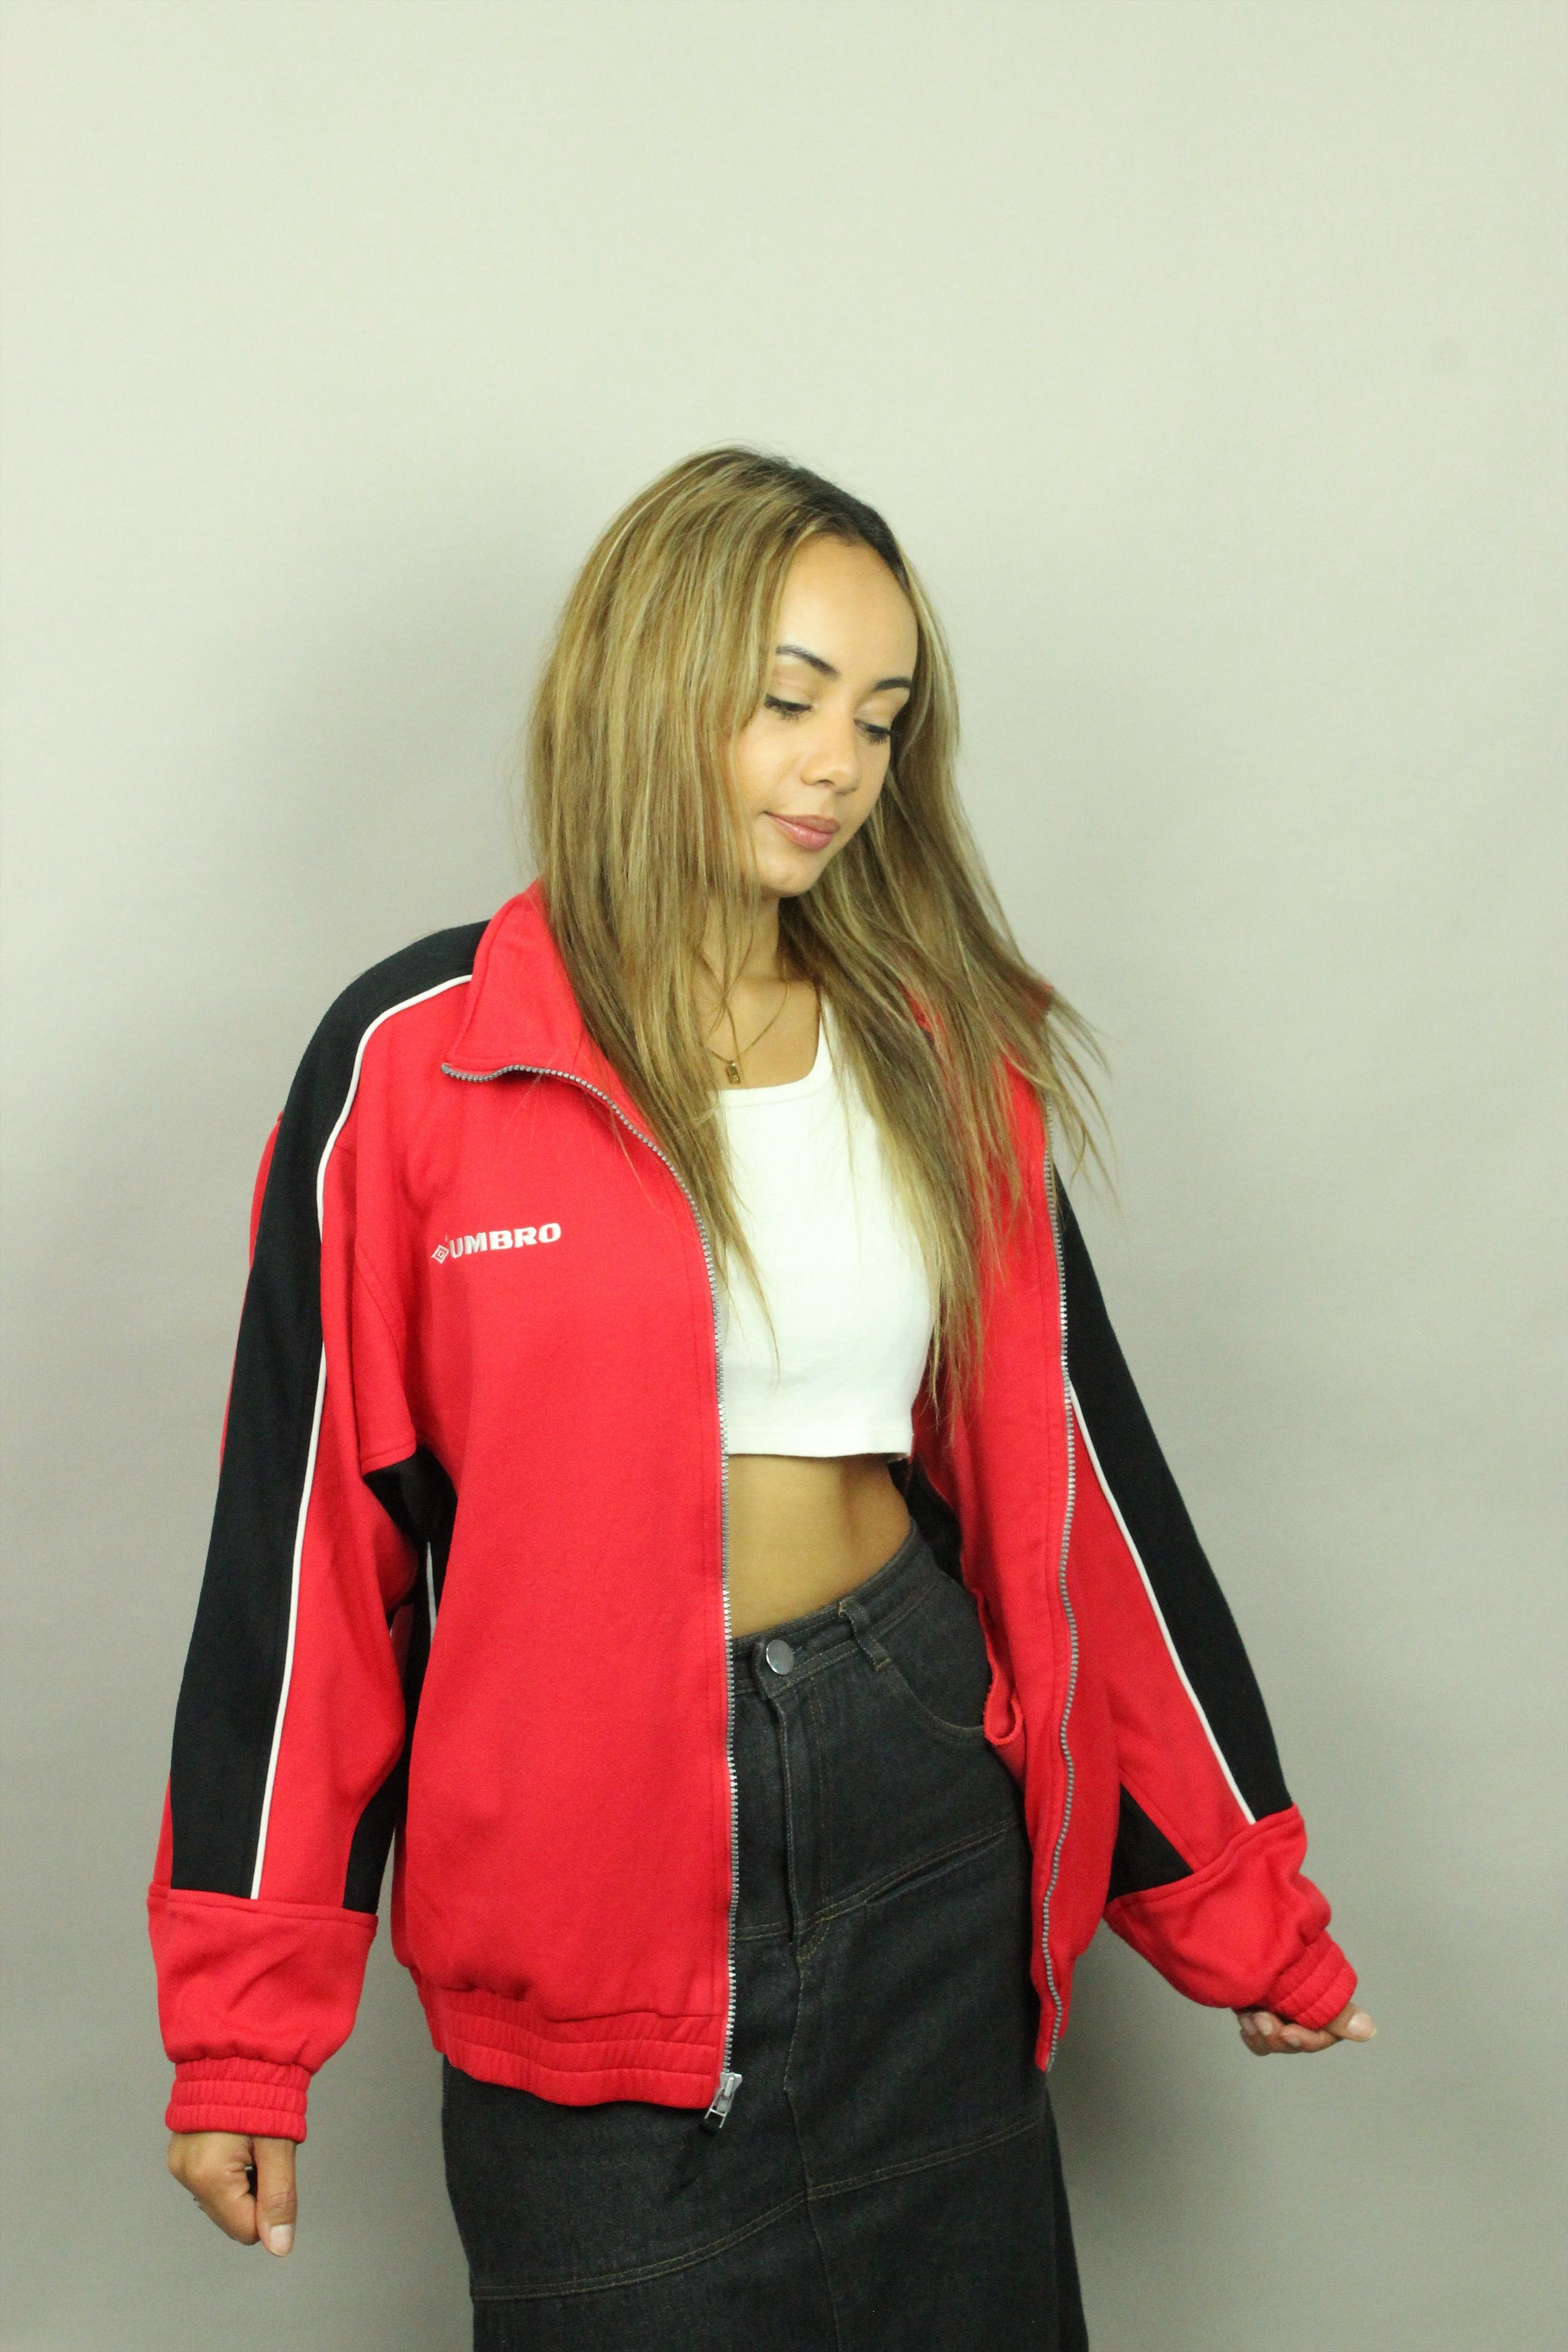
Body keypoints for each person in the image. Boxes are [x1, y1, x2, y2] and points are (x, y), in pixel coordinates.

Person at [153, 447, 1373, 2350]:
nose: (837, 766)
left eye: (879, 720)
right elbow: (305, 1567)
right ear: (649, 682)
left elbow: (1082, 1502)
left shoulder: (934, 1052)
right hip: (581, 1876)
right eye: (788, 700)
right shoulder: (419, 1062)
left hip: (917, 1809)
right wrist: (244, 2031)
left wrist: (1239, 1902)